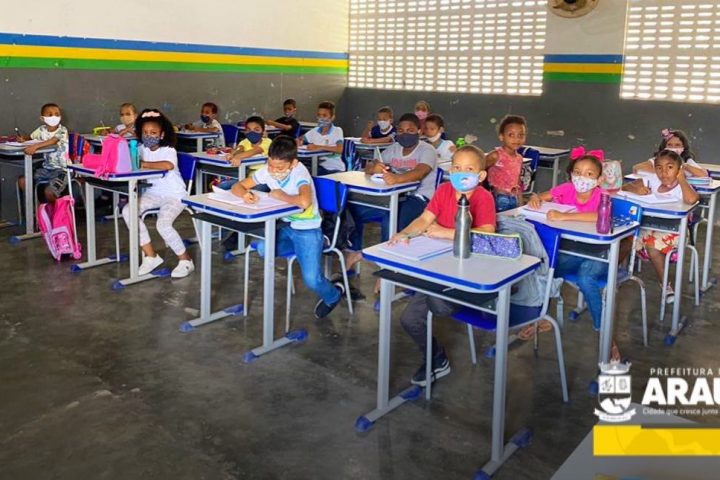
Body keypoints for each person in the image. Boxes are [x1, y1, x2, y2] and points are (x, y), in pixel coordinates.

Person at [390, 145, 495, 386]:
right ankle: (436, 357)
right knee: (409, 319)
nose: (461, 173)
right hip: (438, 266)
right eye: (456, 167)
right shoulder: (444, 190)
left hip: (467, 272)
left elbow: (487, 233)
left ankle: (463, 302)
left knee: (439, 305)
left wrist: (444, 233)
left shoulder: (483, 197)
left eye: (469, 169)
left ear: (481, 175)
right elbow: (424, 219)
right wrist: (404, 233)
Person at [231, 135, 346, 318]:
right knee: (263, 249)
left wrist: (281, 195)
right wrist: (245, 194)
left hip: (308, 229)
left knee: (312, 280)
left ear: (293, 163)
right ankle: (306, 250)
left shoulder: (299, 173)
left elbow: (305, 202)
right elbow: (238, 186)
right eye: (271, 165)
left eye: (279, 168)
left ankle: (334, 295)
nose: (274, 171)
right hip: (287, 226)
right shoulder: (268, 170)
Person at [122, 109, 194, 278]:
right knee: (128, 211)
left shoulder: (168, 149)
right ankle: (151, 256)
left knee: (163, 224)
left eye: (153, 133)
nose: (149, 136)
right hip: (154, 193)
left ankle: (186, 260)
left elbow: (168, 165)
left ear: (161, 135)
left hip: (174, 195)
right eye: (145, 132)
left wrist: (142, 163)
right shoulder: (141, 149)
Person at [624, 149, 700, 303]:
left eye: (670, 167)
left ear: (679, 169)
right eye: (659, 168)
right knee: (624, 238)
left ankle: (666, 285)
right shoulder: (652, 180)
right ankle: (612, 277)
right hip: (649, 227)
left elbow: (692, 200)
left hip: (674, 232)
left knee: (652, 245)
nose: (664, 172)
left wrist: (682, 179)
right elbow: (625, 187)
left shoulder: (681, 187)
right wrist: (636, 189)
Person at [17, 103, 70, 203]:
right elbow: (31, 137)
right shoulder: (41, 130)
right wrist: (23, 139)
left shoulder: (62, 130)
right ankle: (36, 207)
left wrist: (35, 146)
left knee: (50, 192)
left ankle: (53, 212)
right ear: (42, 118)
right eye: (50, 115)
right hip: (47, 168)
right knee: (23, 181)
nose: (54, 117)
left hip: (62, 169)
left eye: (57, 114)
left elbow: (53, 141)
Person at [486, 115, 527, 212]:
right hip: (498, 199)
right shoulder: (496, 155)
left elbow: (517, 183)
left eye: (520, 135)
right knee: (500, 221)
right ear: (501, 137)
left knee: (514, 220)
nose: (516, 139)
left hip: (514, 198)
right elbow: (478, 170)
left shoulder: (519, 158)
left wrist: (521, 206)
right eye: (511, 135)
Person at [633, 128, 708, 177]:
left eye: (677, 145)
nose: (673, 148)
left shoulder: (687, 161)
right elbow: (636, 168)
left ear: (683, 147)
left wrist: (683, 166)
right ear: (664, 147)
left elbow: (704, 175)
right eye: (670, 145)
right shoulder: (657, 160)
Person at [300, 100, 344, 175]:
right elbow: (300, 139)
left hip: (333, 168)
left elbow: (339, 149)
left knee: (306, 173)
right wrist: (298, 141)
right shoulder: (314, 131)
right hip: (317, 166)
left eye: (324, 115)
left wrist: (317, 147)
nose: (321, 118)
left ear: (332, 117)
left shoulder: (337, 130)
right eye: (319, 115)